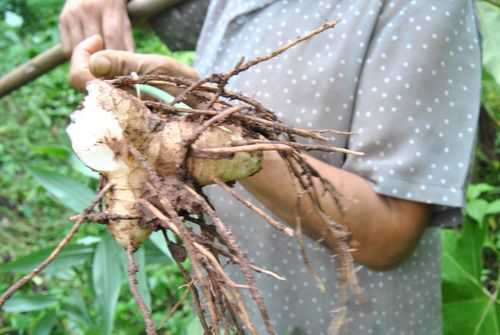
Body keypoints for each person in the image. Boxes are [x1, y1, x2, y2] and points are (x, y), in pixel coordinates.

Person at [62, 1, 482, 334]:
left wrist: (220, 132)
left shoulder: (426, 7)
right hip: (243, 307)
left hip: (350, 319)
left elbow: (388, 237)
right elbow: (162, 15)